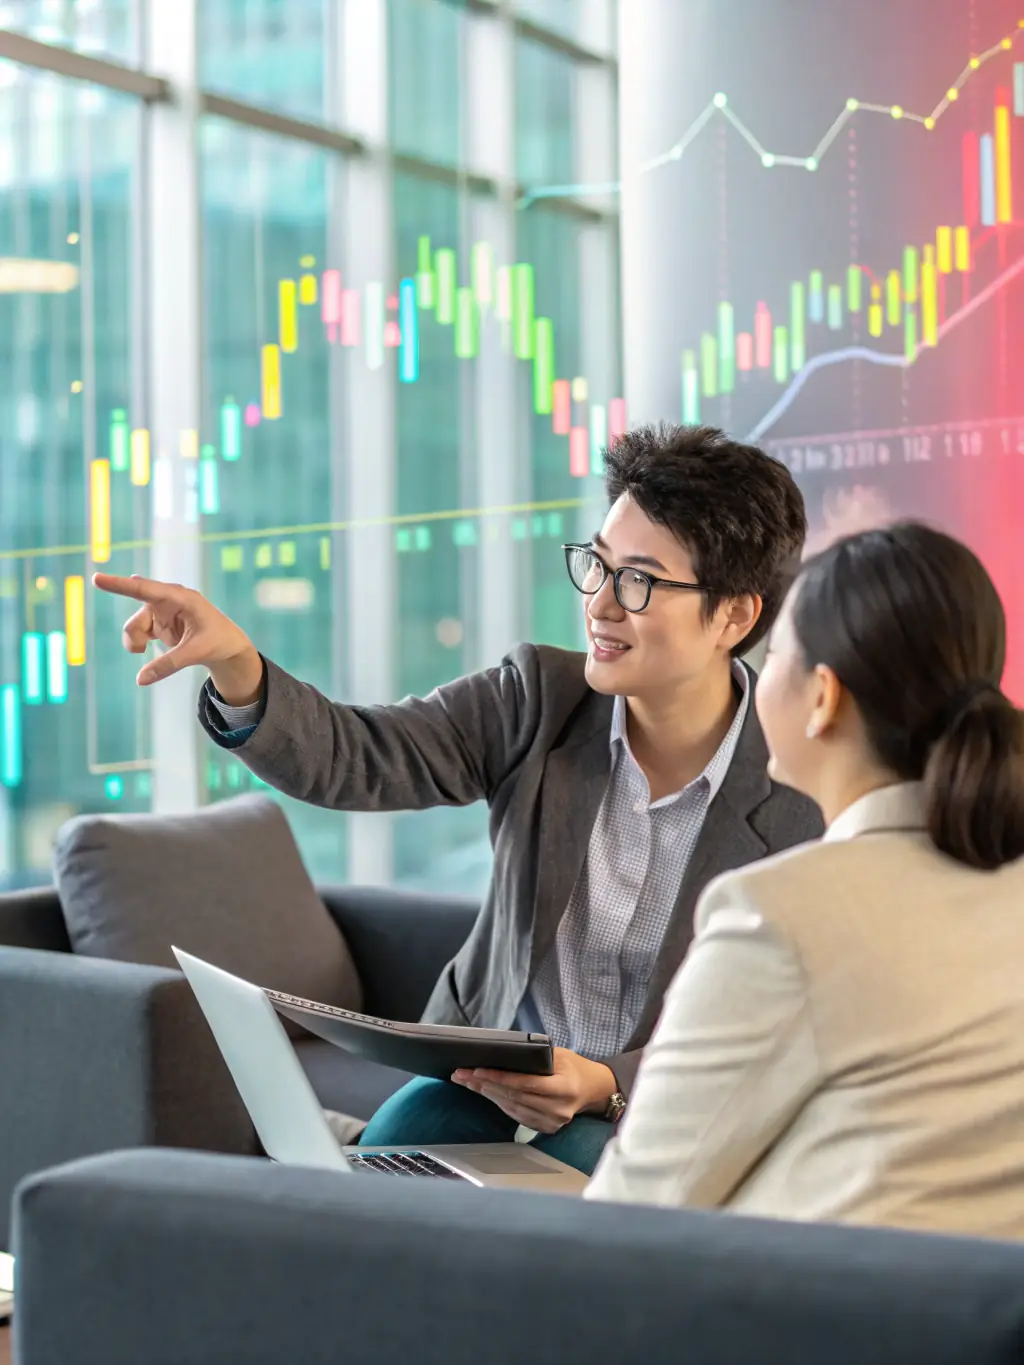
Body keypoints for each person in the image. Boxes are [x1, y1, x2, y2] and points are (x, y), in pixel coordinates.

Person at [94, 423, 824, 1176]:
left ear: (735, 616)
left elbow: (785, 1023)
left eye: (638, 581)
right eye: (597, 565)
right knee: (380, 1162)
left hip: (662, 1114)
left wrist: (607, 1084)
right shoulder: (537, 699)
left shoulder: (803, 789)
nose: (601, 604)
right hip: (486, 1080)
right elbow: (357, 757)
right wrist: (237, 665)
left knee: (573, 1173)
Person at [585, 520, 1024, 1239]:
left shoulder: (779, 917)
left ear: (824, 697)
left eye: (775, 656)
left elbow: (629, 1215)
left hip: (816, 1297)